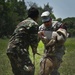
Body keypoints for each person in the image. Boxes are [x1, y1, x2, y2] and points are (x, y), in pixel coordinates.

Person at [6, 7, 39, 75]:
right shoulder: (34, 24)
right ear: (37, 16)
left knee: (18, 72)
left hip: (10, 49)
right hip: (19, 49)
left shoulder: (21, 23)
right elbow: (34, 41)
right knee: (29, 70)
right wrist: (34, 49)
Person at [38, 11, 67, 75]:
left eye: (47, 21)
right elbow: (37, 39)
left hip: (58, 50)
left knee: (53, 69)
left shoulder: (58, 25)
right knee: (43, 66)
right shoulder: (41, 28)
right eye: (44, 22)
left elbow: (61, 39)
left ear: (50, 19)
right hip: (47, 50)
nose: (46, 23)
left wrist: (54, 35)